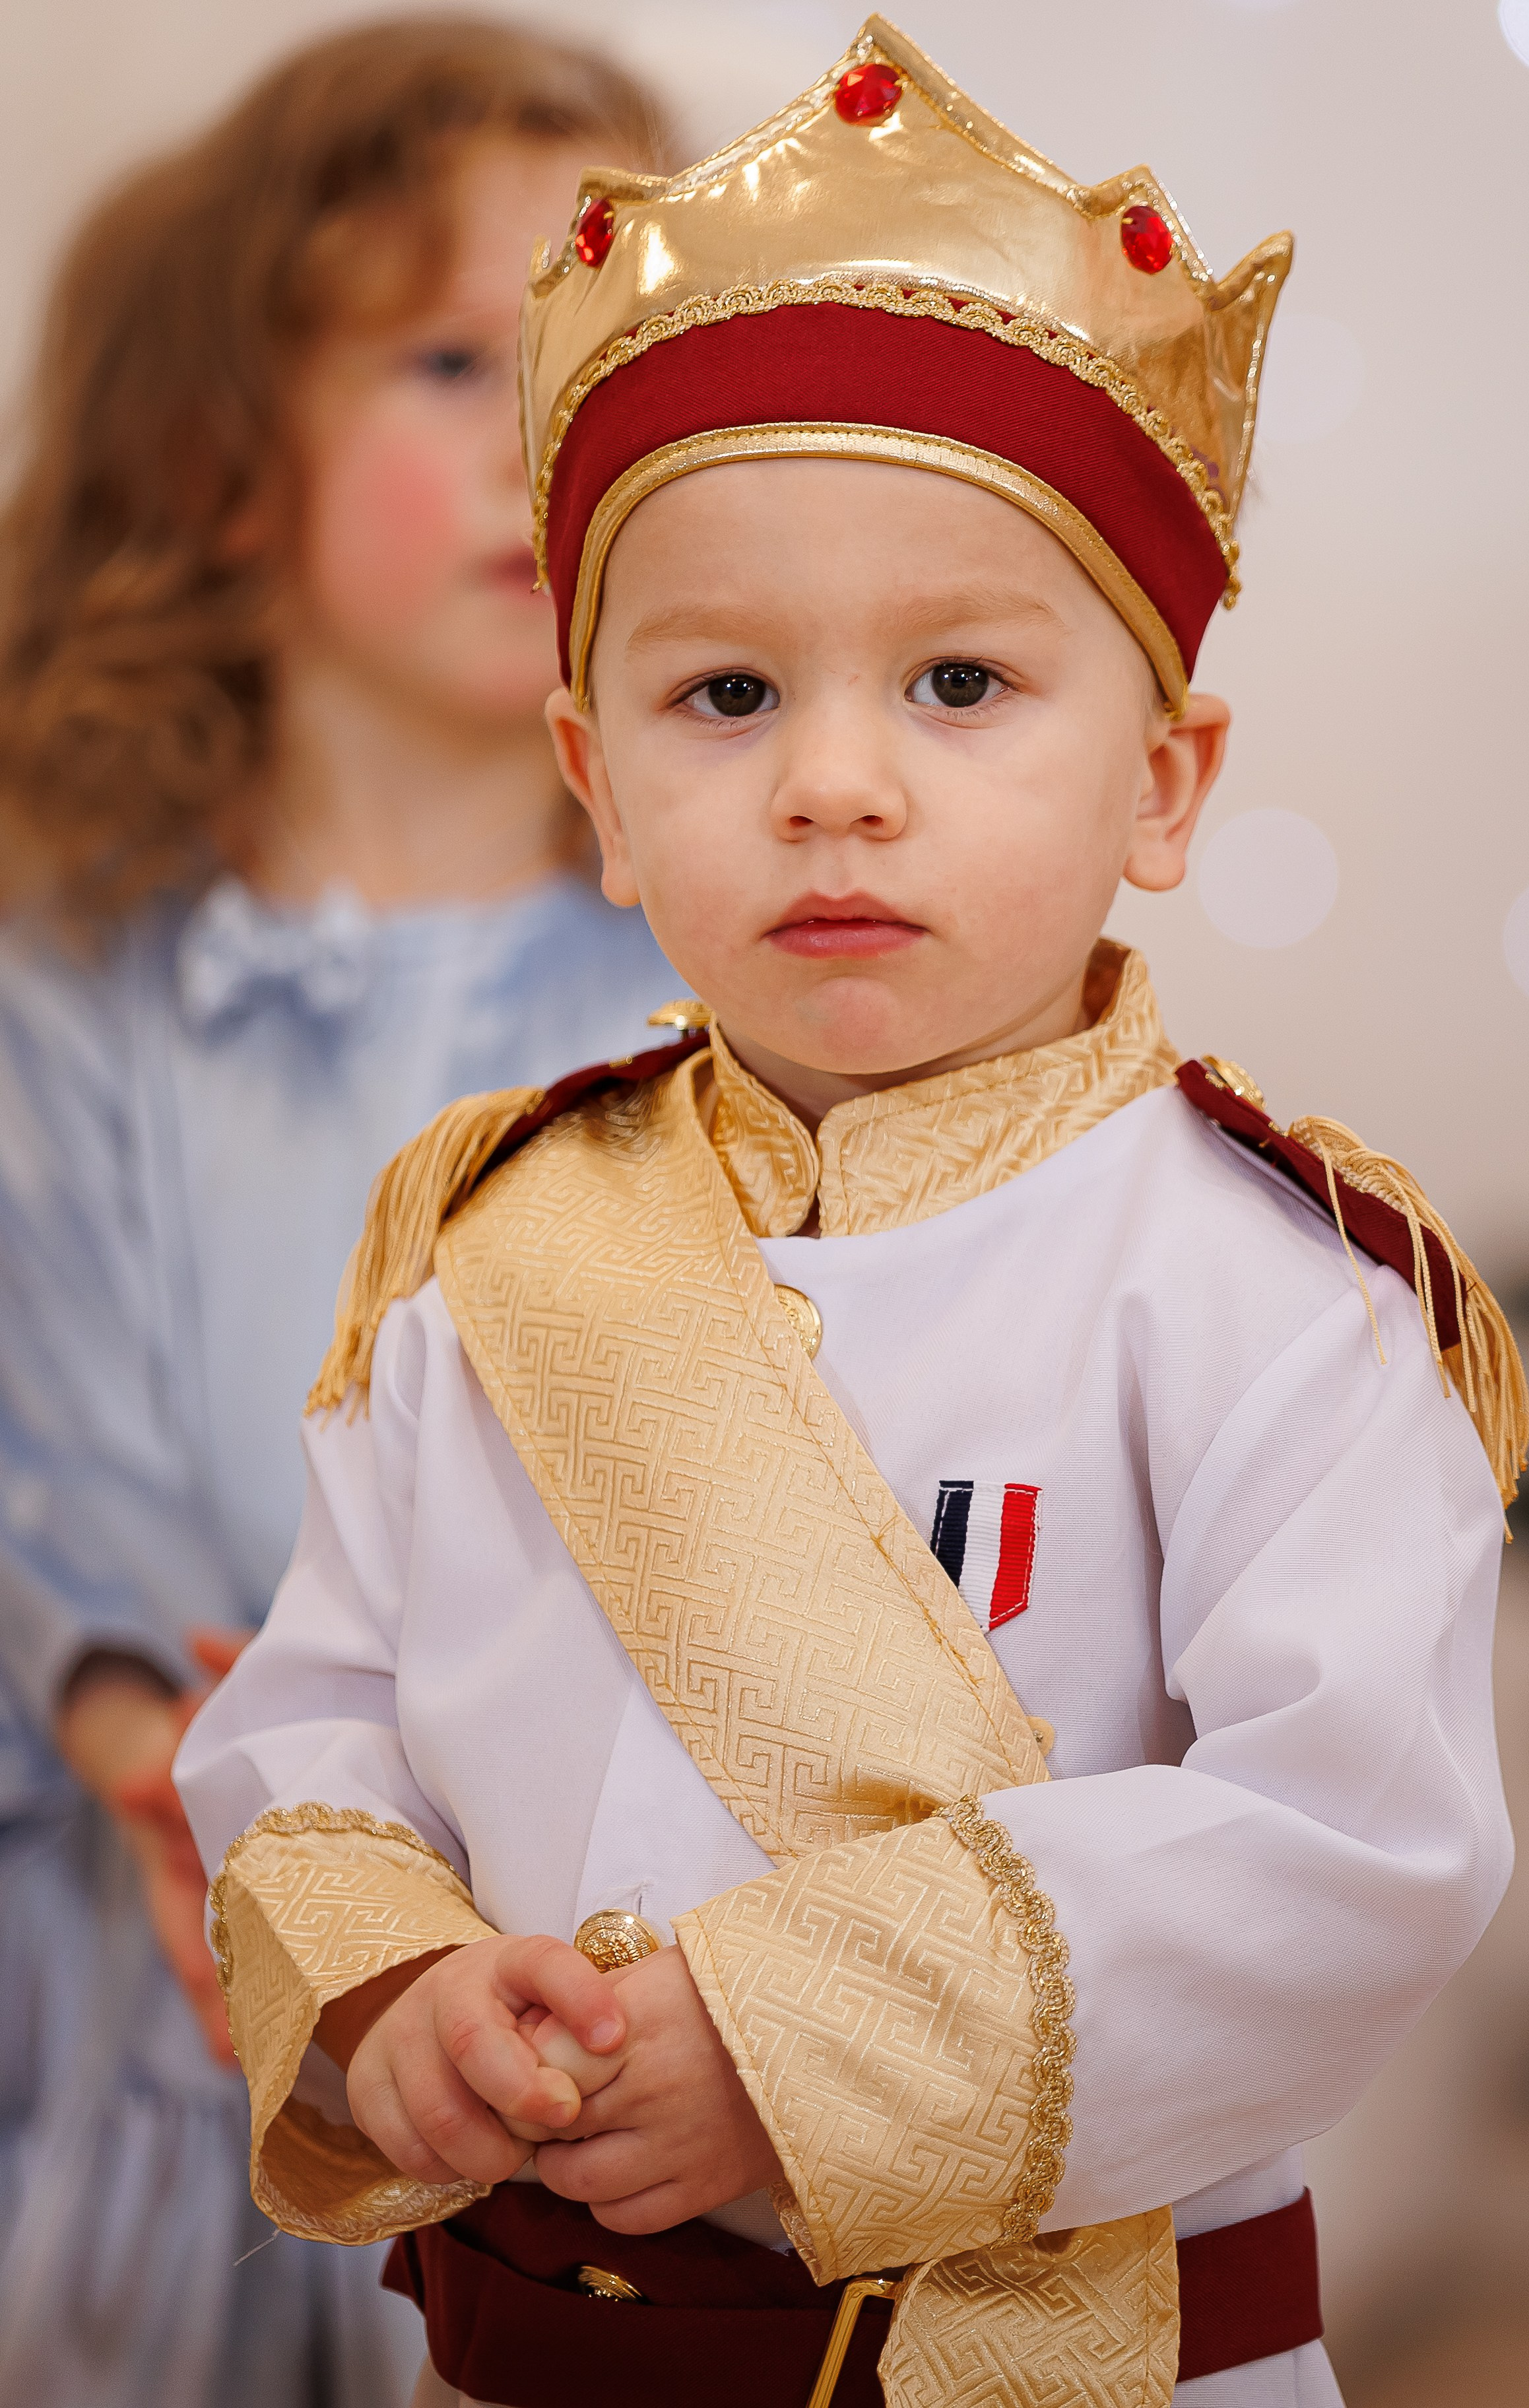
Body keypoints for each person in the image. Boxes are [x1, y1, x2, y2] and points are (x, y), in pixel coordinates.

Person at [176, 20, 1529, 2408]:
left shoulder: (1275, 1300)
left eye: (958, 680)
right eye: (721, 695)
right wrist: (393, 1998)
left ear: (1165, 775)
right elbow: (315, 1727)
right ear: (594, 780)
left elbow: (1350, 1846)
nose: (830, 784)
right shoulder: (481, 1257)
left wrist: (790, 2044)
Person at [0, 20, 675, 2407]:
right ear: (220, 456)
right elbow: (35, 1426)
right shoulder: (70, 979)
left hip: (604, 1970)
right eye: (446, 362)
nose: (545, 438)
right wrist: (140, 1753)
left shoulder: (730, 981)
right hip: (151, 1986)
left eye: (606, 364)